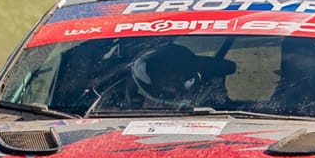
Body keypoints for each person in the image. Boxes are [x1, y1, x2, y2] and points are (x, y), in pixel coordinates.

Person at [91, 41, 219, 113]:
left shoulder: (210, 107)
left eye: (176, 73)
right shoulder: (106, 110)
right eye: (162, 72)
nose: (170, 79)